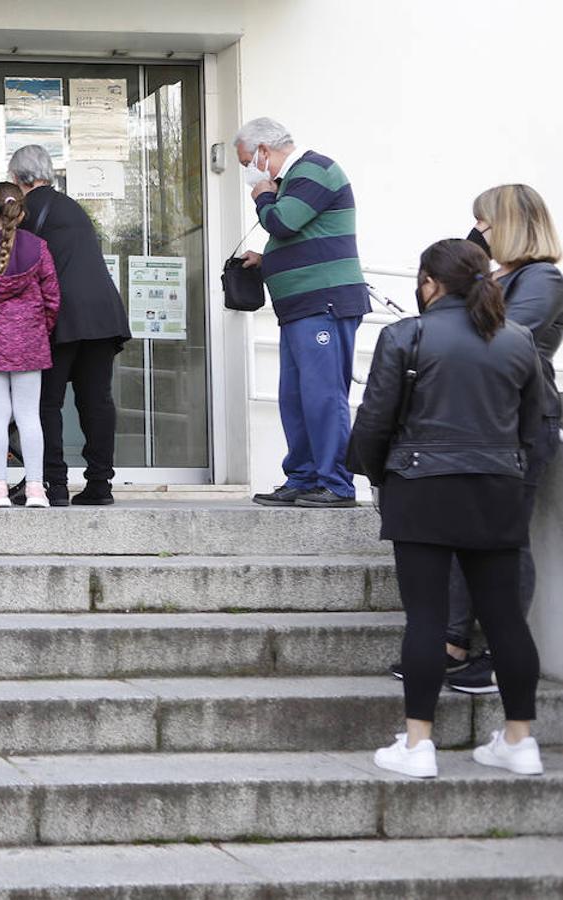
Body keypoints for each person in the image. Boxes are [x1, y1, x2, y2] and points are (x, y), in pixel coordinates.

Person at [351, 239, 549, 779]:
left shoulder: (406, 335)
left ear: (430, 284)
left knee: (427, 619)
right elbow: (533, 424)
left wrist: (375, 472)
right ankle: (520, 740)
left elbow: (373, 420)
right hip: (497, 489)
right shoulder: (518, 340)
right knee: (506, 618)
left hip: (422, 487)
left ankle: (418, 746)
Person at [415, 185, 563, 693]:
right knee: (462, 536)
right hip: (479, 422)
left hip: (523, 424)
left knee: (505, 541)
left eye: (484, 222)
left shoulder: (542, 278)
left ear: (510, 224)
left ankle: (503, 657)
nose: (477, 231)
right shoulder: (498, 277)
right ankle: (453, 642)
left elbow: (501, 335)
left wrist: (465, 290)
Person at [235, 117, 368, 509]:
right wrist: (267, 258)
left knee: (323, 394)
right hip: (299, 308)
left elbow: (283, 221)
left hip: (323, 304)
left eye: (247, 162)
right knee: (295, 397)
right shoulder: (295, 181)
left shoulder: (314, 169)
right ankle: (304, 476)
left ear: (263, 150)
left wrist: (262, 193)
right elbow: (303, 233)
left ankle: (337, 484)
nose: (248, 171)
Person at [6, 144, 131, 507]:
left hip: (61, 316)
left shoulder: (29, 211)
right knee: (96, 401)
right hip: (104, 314)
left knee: (46, 403)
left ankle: (53, 484)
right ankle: (100, 485)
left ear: (17, 178)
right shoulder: (72, 206)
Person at [0, 183, 62, 509]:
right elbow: (53, 299)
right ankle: (36, 489)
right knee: (28, 415)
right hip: (30, 342)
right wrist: (37, 330)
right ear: (20, 213)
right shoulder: (39, 247)